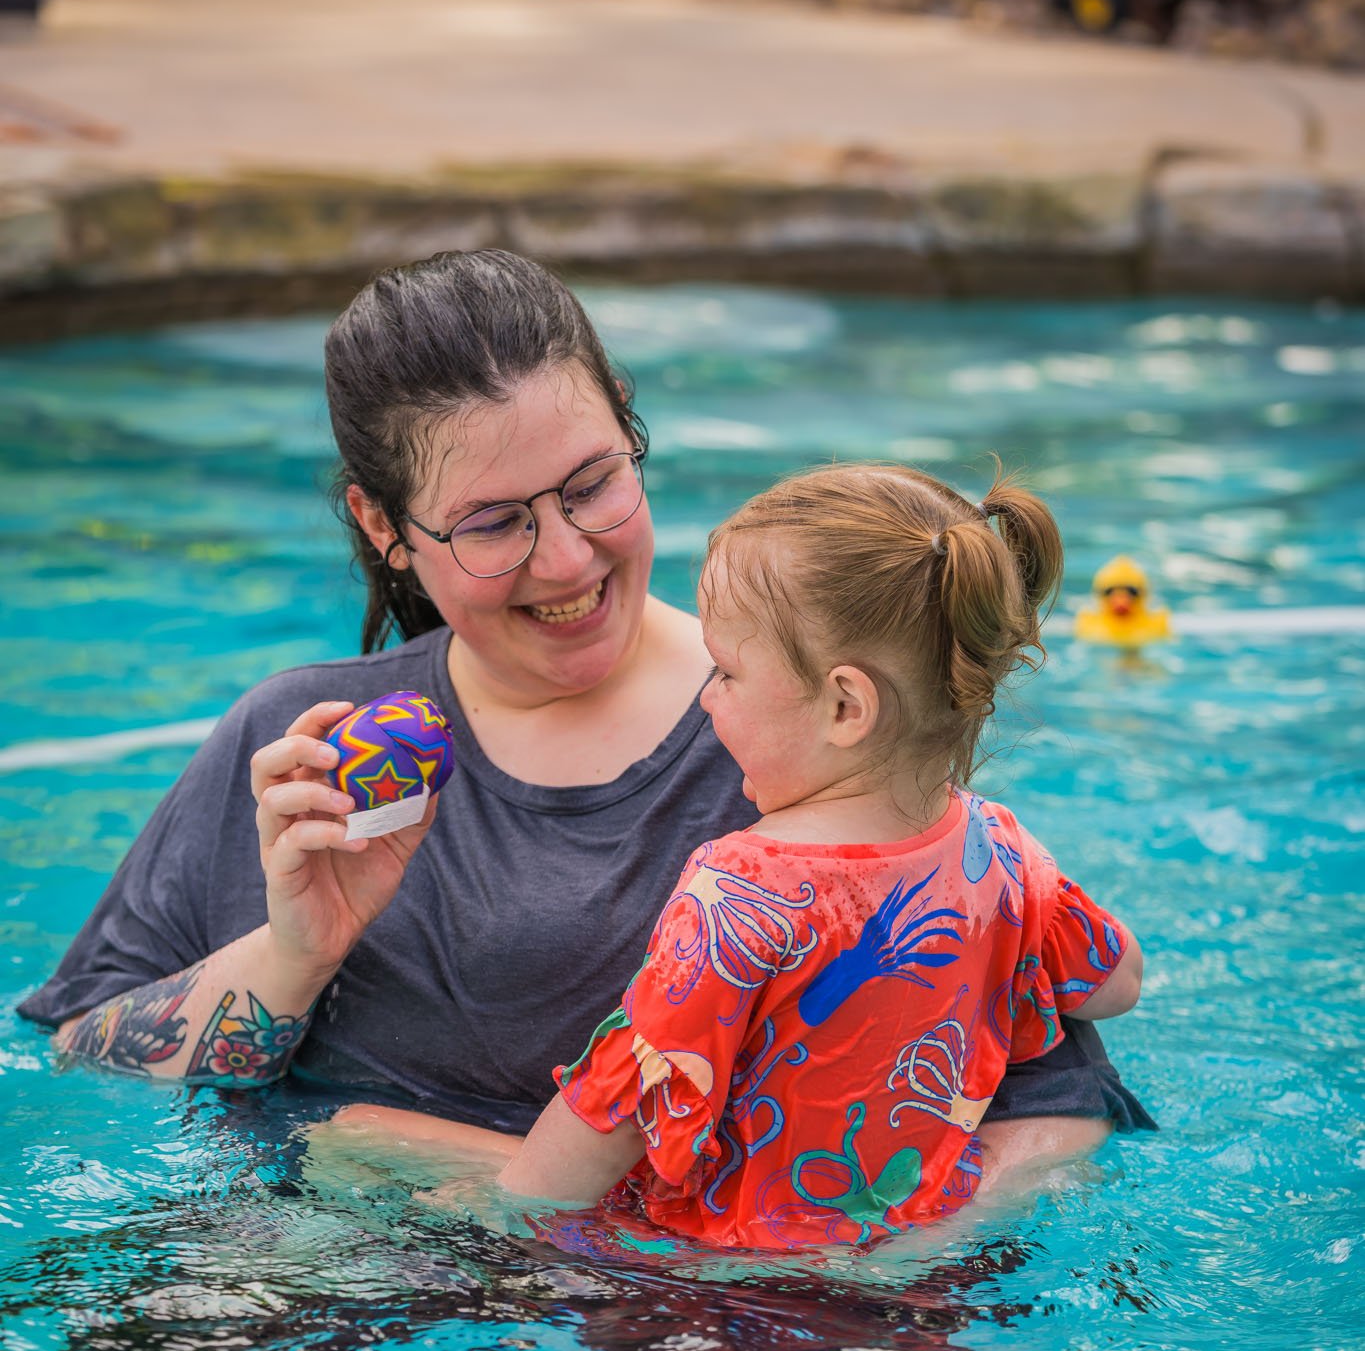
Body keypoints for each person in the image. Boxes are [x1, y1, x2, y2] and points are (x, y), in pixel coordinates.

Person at [18, 249, 1150, 1178]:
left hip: (707, 1330)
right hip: (325, 1297)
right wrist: (293, 951)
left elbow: (1051, 1105)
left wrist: (803, 1278)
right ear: (383, 523)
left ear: (633, 434)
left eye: (593, 484)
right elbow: (77, 1057)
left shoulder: (805, 742)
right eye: (495, 520)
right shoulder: (302, 751)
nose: (565, 557)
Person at [338, 462, 1150, 1248]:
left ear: (844, 705)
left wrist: (503, 1214)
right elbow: (1115, 984)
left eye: (725, 671)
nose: (704, 695)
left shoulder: (740, 888)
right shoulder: (999, 849)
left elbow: (623, 1101)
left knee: (352, 1134)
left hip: (732, 1268)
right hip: (908, 1239)